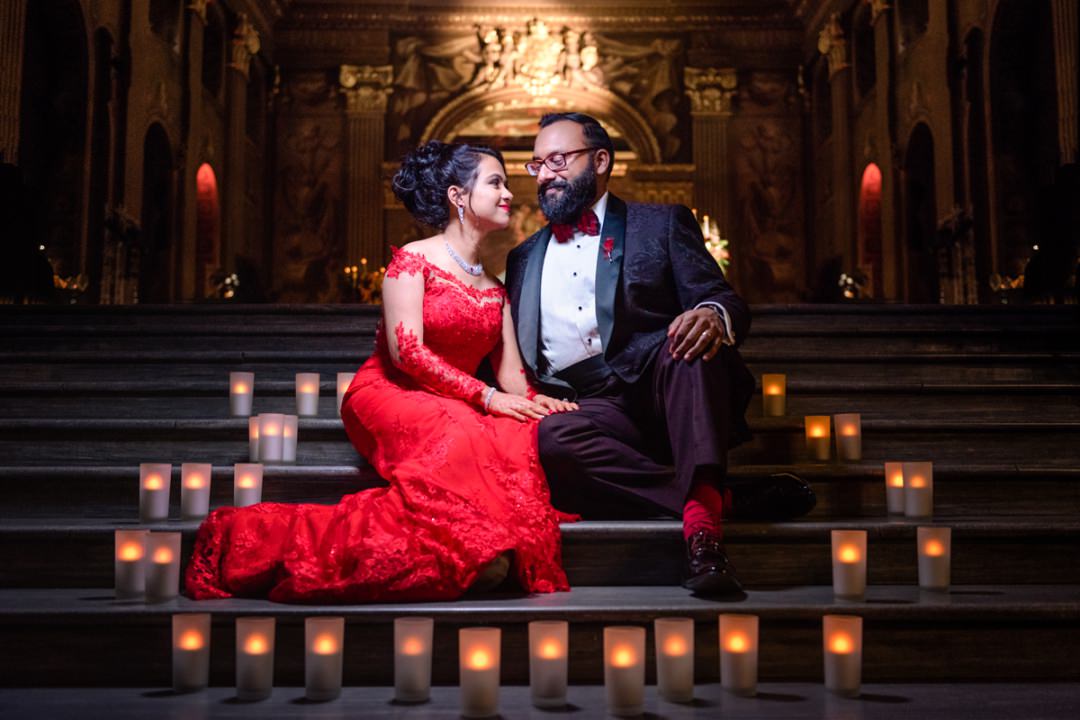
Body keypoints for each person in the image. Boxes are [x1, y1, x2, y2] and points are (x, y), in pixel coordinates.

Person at [186, 141, 577, 603]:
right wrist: (487, 398)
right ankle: (257, 540)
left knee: (514, 433)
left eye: (507, 183)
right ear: (458, 195)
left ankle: (473, 551)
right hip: (389, 391)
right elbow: (407, 351)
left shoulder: (495, 288)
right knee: (468, 427)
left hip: (456, 399)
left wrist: (537, 401)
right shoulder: (411, 260)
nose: (509, 193)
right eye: (495, 182)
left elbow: (510, 374)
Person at [505, 113, 816, 597]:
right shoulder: (522, 256)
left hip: (668, 385)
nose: (545, 174)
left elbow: (724, 298)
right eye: (537, 164)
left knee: (687, 343)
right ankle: (715, 500)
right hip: (591, 408)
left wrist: (711, 314)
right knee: (548, 439)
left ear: (601, 160)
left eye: (559, 160)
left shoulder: (661, 222)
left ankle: (705, 541)